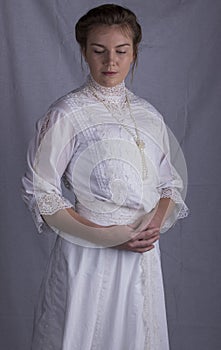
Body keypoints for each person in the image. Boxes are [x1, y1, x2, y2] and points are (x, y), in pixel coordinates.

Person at [22, 4, 188, 350]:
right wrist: (107, 237)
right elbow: (44, 194)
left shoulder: (148, 115)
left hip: (141, 254)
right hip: (89, 254)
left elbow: (169, 182)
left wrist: (153, 225)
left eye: (121, 51)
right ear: (84, 52)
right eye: (99, 51)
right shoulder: (68, 113)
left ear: (134, 53)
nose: (110, 62)